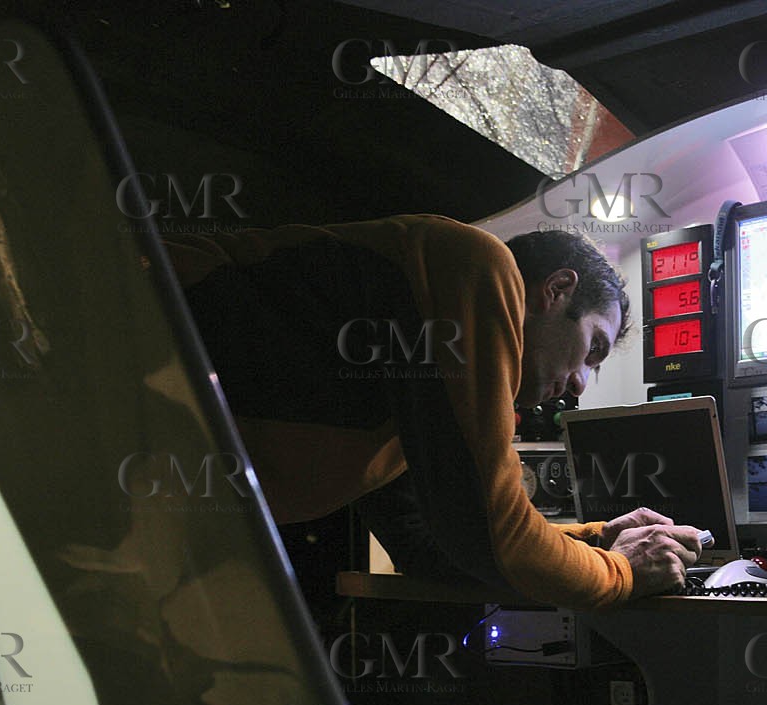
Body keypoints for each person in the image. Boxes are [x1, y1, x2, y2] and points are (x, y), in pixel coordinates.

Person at [164, 215, 701, 609]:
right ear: (556, 291)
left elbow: (432, 548)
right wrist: (621, 571)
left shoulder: (404, 417)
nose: (581, 384)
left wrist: (595, 539)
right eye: (594, 349)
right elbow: (489, 537)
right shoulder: (475, 263)